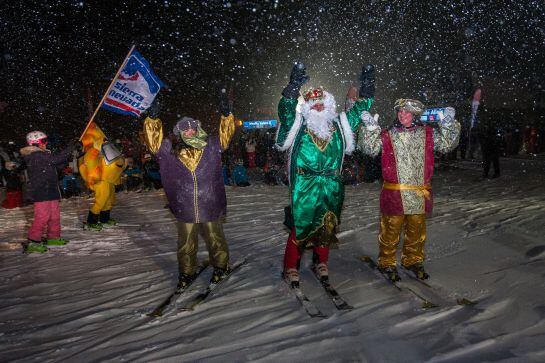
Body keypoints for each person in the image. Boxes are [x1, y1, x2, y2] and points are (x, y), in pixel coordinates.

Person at [276, 62, 375, 287]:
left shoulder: (340, 124)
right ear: (307, 107)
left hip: (331, 182)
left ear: (329, 105)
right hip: (305, 182)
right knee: (301, 224)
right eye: (313, 103)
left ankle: (321, 260)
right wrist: (292, 88)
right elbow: (285, 110)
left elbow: (361, 109)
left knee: (326, 224)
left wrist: (368, 86)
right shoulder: (299, 123)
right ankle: (291, 265)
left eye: (321, 103)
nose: (318, 107)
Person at [358, 99, 460, 281]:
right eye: (399, 111)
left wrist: (448, 125)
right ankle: (387, 262)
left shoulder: (428, 134)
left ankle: (412, 260)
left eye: (406, 112)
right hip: (395, 192)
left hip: (419, 192)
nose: (401, 115)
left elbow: (447, 145)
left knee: (416, 231)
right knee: (391, 230)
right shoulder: (388, 135)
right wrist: (370, 130)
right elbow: (369, 149)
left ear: (415, 115)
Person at [143, 90, 236, 288]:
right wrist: (152, 119)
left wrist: (227, 116)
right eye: (185, 130)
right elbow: (153, 144)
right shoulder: (169, 150)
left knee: (215, 237)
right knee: (186, 242)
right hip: (184, 204)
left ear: (197, 129)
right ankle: (186, 272)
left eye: (192, 128)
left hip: (209, 201)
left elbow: (225, 137)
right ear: (179, 133)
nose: (189, 132)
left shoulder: (211, 145)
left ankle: (221, 266)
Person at [20, 131, 76, 253]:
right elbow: (55, 159)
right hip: (41, 191)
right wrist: (70, 148)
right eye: (44, 141)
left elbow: (56, 165)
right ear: (35, 143)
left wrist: (67, 158)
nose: (46, 143)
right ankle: (33, 241)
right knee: (42, 217)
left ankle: (53, 237)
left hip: (51, 189)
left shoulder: (43, 155)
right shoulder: (35, 155)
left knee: (54, 216)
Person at [79, 122, 126, 231]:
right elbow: (90, 166)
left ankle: (104, 219)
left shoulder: (105, 149)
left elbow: (114, 162)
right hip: (101, 180)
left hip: (109, 180)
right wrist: (93, 179)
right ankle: (91, 222)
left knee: (110, 200)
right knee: (101, 200)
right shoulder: (92, 153)